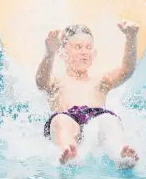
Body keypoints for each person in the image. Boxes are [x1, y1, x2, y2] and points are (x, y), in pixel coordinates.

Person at [35, 21, 140, 166]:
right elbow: (41, 82)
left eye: (88, 47)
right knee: (60, 121)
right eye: (78, 47)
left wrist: (131, 37)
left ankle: (121, 154)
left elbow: (126, 70)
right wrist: (49, 54)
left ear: (94, 54)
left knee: (109, 120)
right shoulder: (57, 81)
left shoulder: (101, 81)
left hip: (96, 116)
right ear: (62, 53)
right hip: (67, 116)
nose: (84, 52)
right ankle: (68, 151)